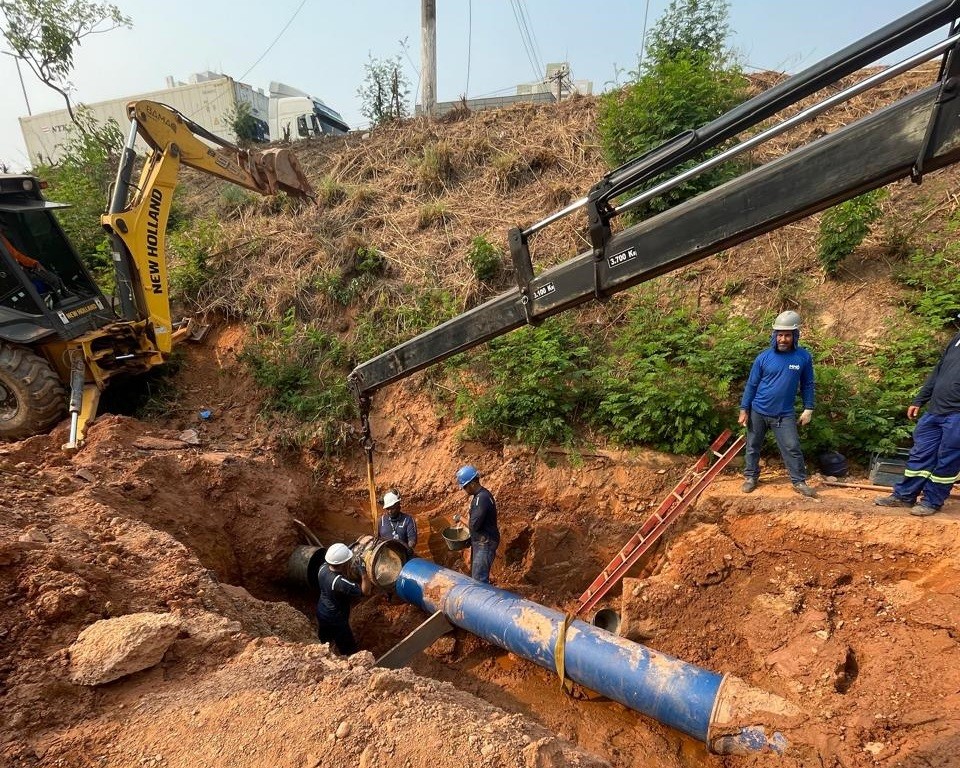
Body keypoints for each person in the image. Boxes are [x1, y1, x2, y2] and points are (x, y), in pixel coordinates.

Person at [875, 329, 960, 516]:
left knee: (948, 460)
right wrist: (920, 399)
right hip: (935, 411)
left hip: (957, 416)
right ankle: (904, 496)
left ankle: (932, 501)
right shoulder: (957, 339)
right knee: (920, 454)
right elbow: (938, 371)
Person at [738, 310, 817, 497]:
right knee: (753, 445)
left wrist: (809, 408)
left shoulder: (803, 357)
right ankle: (751, 477)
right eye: (780, 335)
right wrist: (744, 409)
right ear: (774, 335)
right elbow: (752, 384)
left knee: (792, 447)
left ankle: (799, 481)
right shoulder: (763, 357)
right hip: (758, 410)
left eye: (787, 335)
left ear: (795, 336)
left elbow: (808, 384)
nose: (783, 339)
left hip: (784, 414)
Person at [314, 542, 372, 655]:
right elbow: (366, 591)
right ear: (343, 563)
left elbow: (334, 561)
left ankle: (324, 651)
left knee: (324, 639)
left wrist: (344, 552)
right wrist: (363, 573)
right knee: (348, 648)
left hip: (322, 611)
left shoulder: (323, 568)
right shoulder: (340, 583)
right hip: (336, 619)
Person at [454, 465, 499, 583]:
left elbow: (474, 526)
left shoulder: (481, 499)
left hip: (485, 543)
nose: (464, 490)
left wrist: (460, 518)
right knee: (478, 577)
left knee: (479, 580)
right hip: (482, 542)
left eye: (465, 487)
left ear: (472, 484)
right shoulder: (481, 496)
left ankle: (484, 594)